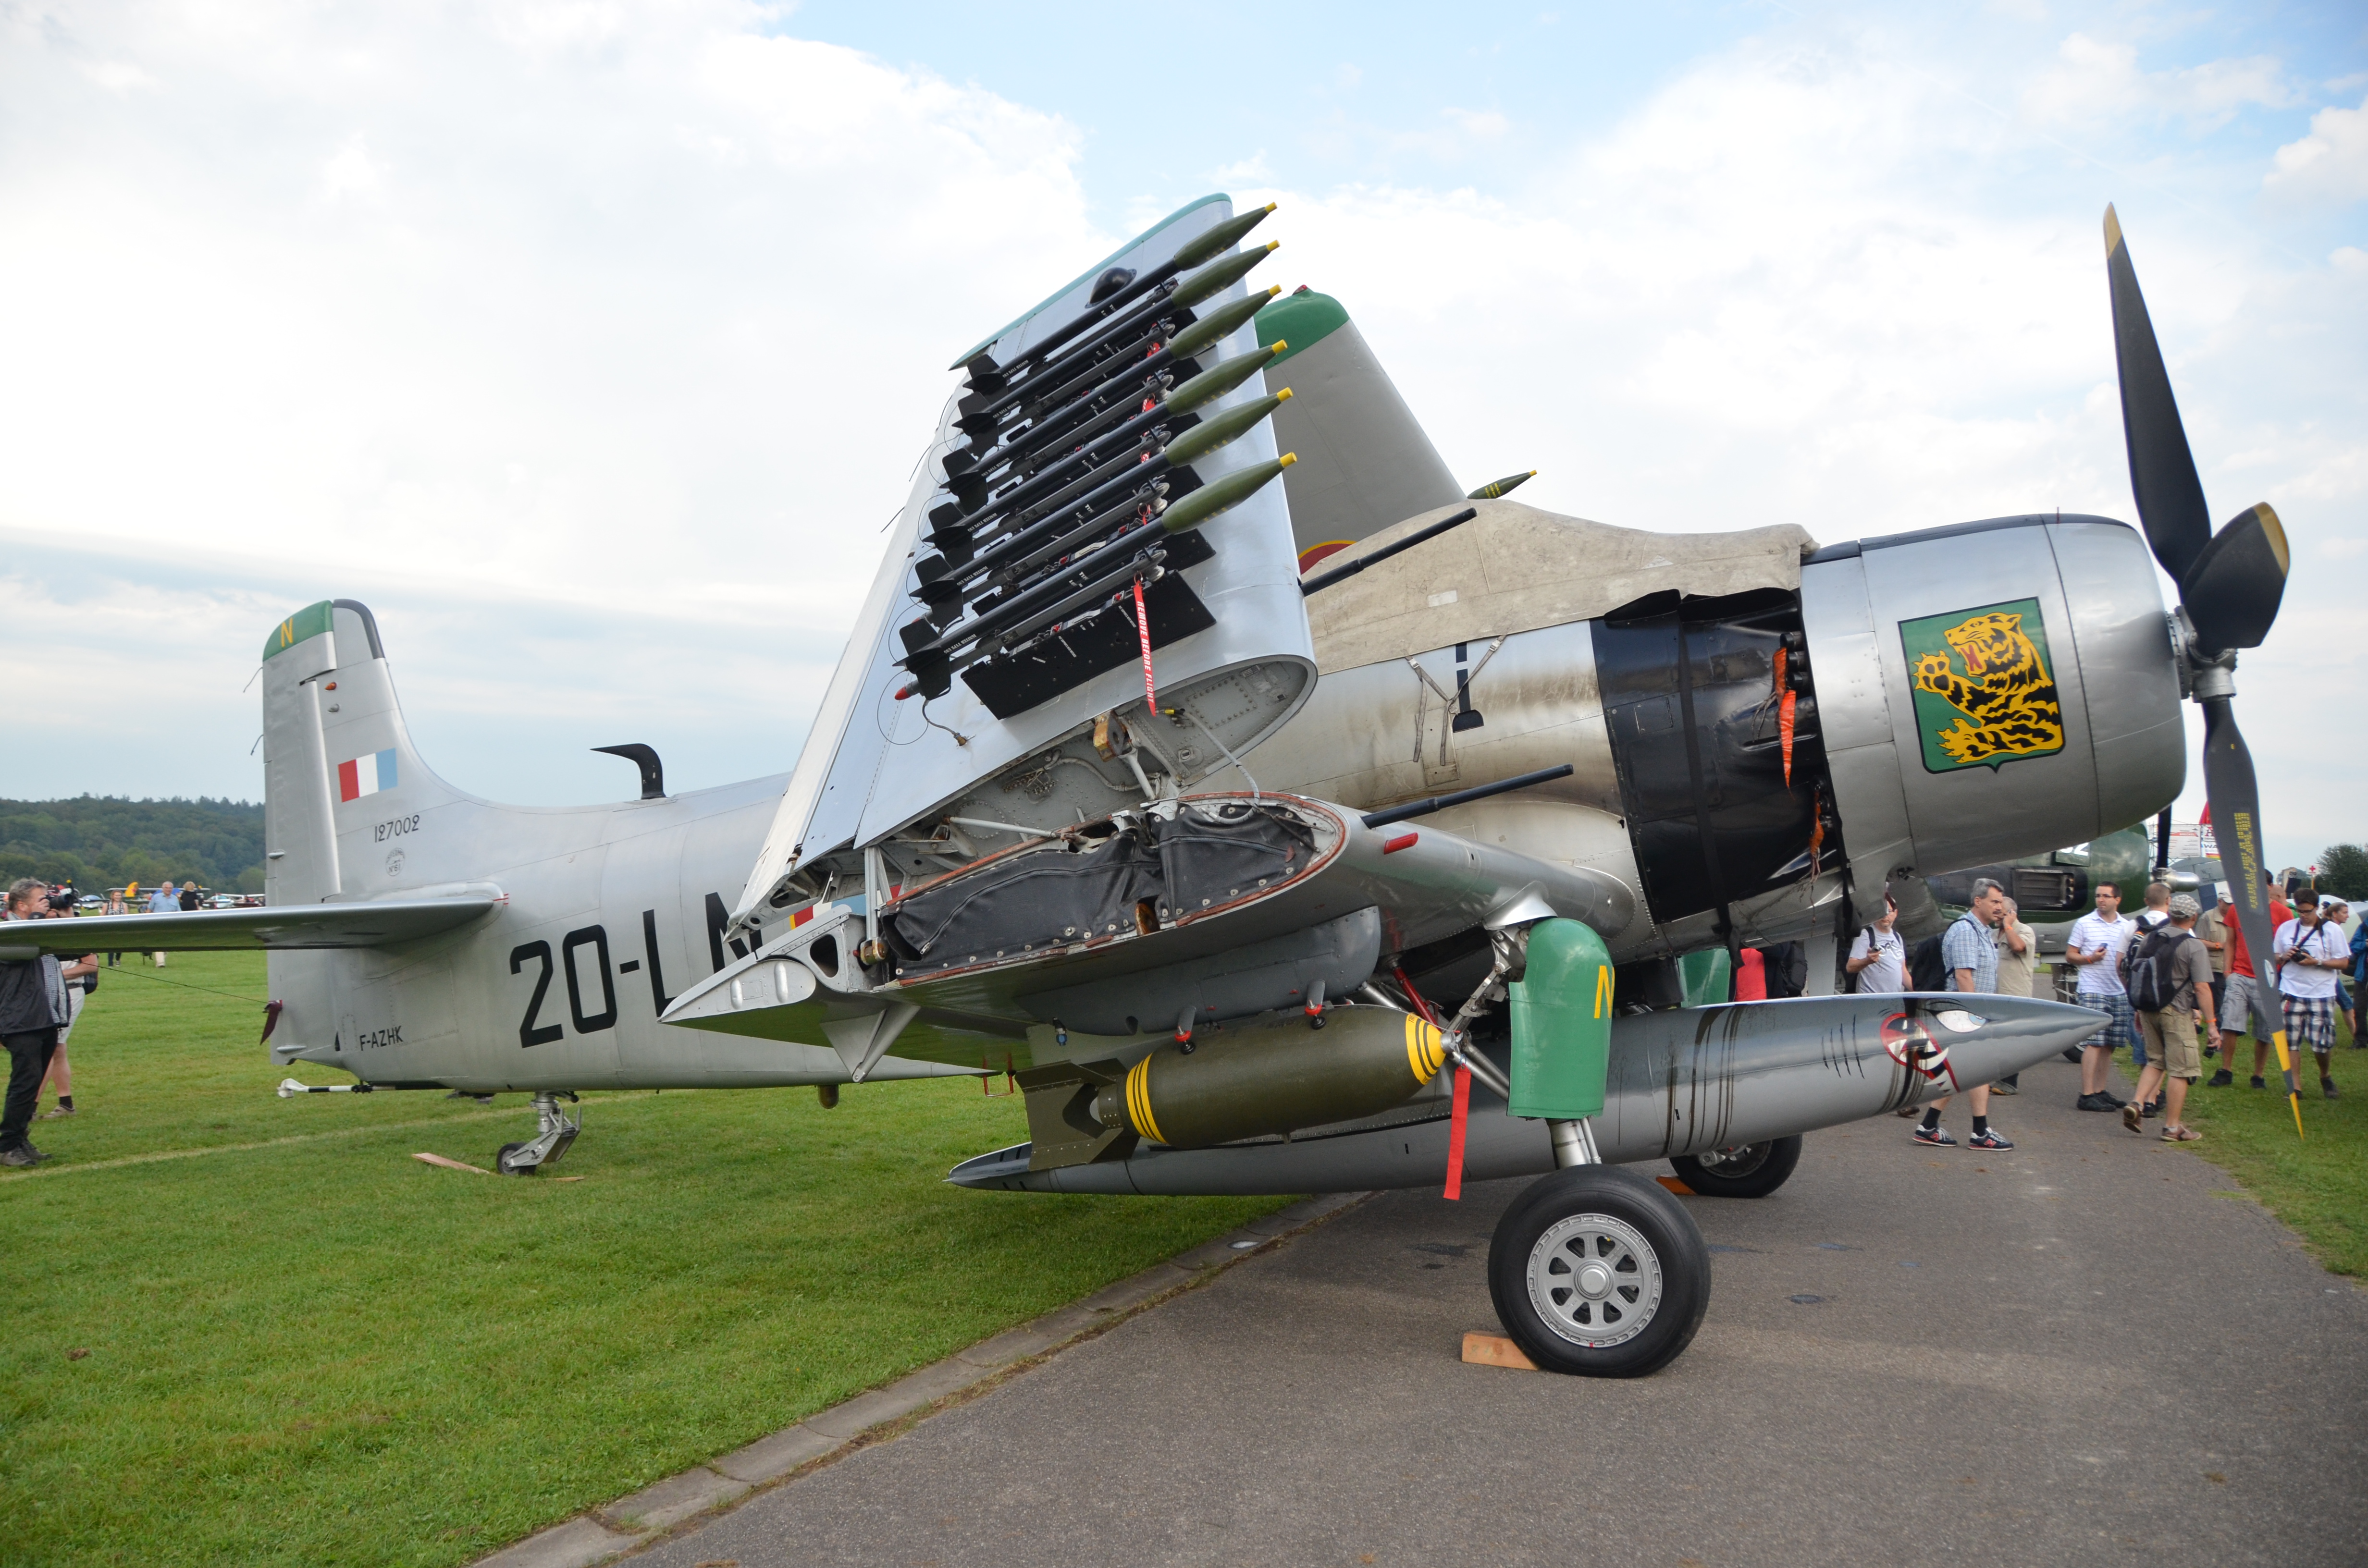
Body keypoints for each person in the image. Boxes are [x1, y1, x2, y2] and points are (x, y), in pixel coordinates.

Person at [1912, 878, 2013, 1150]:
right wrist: (1975, 1016)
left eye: (2001, 903)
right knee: (1979, 1069)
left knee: (1963, 1071)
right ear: (1977, 901)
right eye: (1994, 902)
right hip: (1964, 1014)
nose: (1999, 908)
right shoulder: (1967, 931)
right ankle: (1979, 1132)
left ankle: (1929, 1126)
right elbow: (1964, 976)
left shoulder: (1983, 932)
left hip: (1968, 1014)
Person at [2125, 893, 2215, 1143]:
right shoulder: (2193, 945)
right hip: (2176, 1011)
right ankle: (2172, 1127)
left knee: (2156, 1060)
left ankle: (2137, 1103)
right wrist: (2212, 1025)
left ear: (2171, 915)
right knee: (2181, 1069)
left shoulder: (2151, 937)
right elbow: (2202, 988)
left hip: (2148, 1008)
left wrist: (2138, 1010)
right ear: (2194, 917)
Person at [0, 878, 65, 1165]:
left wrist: (57, 916)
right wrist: (39, 920)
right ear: (21, 905)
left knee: (34, 1082)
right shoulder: (7, 931)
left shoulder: (40, 927)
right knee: (24, 1083)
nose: (46, 903)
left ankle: (20, 1138)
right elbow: (17, 954)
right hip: (19, 1019)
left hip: (43, 1017)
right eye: (41, 900)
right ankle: (6, 1146)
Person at [2209, 871, 2293, 1089]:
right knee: (2230, 1022)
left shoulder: (2283, 913)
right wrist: (2228, 971)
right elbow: (2230, 941)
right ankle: (2226, 1070)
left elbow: (2287, 947)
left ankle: (2258, 1075)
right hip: (2239, 973)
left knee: (2265, 1030)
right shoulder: (2237, 909)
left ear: (2269, 886)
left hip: (2268, 978)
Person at [2066, 880, 2135, 1111]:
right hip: (2092, 988)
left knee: (2110, 1045)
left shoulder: (2127, 926)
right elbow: (2070, 955)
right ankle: (2086, 1094)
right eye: (2098, 896)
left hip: (2118, 990)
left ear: (2118, 900)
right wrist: (2090, 959)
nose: (2101, 900)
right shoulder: (2084, 924)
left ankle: (2099, 1090)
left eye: (2106, 896)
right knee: (2094, 1043)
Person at [2273, 889, 2349, 1100]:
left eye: (2307, 911)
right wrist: (2283, 957)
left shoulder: (2332, 930)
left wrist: (2316, 961)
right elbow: (2274, 956)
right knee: (2291, 1041)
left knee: (2322, 1044)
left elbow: (2343, 962)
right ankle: (2296, 1088)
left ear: (2317, 908)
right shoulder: (2286, 929)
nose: (2303, 915)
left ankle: (2325, 1075)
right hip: (2291, 990)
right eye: (2299, 911)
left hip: (2321, 992)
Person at [39, 900, 92, 1119]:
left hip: (69, 993)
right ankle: (66, 1104)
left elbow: (90, 965)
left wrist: (56, 976)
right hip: (46, 993)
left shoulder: (72, 932)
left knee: (49, 1048)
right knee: (58, 1050)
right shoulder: (39, 930)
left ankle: (28, 1108)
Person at [1988, 895, 2037, 1094]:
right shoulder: (1992, 934)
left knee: (2013, 1038)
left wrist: (2008, 926)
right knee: (1995, 1038)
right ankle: (1993, 1078)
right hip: (1994, 993)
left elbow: (2018, 947)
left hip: (2015, 993)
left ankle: (2009, 1083)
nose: (1997, 915)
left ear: (2012, 913)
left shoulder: (2024, 931)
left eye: (2001, 912)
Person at [1847, 894, 1907, 993]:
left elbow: (1903, 970)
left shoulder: (1897, 937)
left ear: (1896, 913)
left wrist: (1919, 991)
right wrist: (1867, 961)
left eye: (1889, 912)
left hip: (1894, 1000)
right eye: (1881, 912)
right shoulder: (1866, 935)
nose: (1885, 916)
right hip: (1871, 1000)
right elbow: (1850, 967)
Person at [2194, 894, 2229, 1058]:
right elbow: (2197, 941)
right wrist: (2218, 945)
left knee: (2225, 1007)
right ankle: (2215, 1041)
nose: (2230, 906)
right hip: (2213, 968)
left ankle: (2217, 1039)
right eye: (2228, 903)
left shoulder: (2236, 916)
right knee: (2216, 1007)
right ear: (2220, 902)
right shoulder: (2207, 918)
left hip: (2230, 969)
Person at [147, 880, 176, 967]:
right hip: (158, 924)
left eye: (170, 888)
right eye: (166, 888)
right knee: (159, 942)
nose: (168, 890)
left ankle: (161, 959)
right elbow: (149, 910)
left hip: (170, 925)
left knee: (167, 944)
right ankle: (160, 963)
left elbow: (178, 912)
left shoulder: (175, 899)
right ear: (163, 889)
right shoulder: (156, 897)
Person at [103, 886, 127, 966]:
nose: (118, 897)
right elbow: (102, 916)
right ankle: (110, 963)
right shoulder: (107, 905)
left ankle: (118, 959)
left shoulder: (124, 905)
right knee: (111, 946)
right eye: (116, 895)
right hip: (110, 928)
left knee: (120, 946)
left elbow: (127, 917)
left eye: (119, 895)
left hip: (121, 928)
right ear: (113, 896)